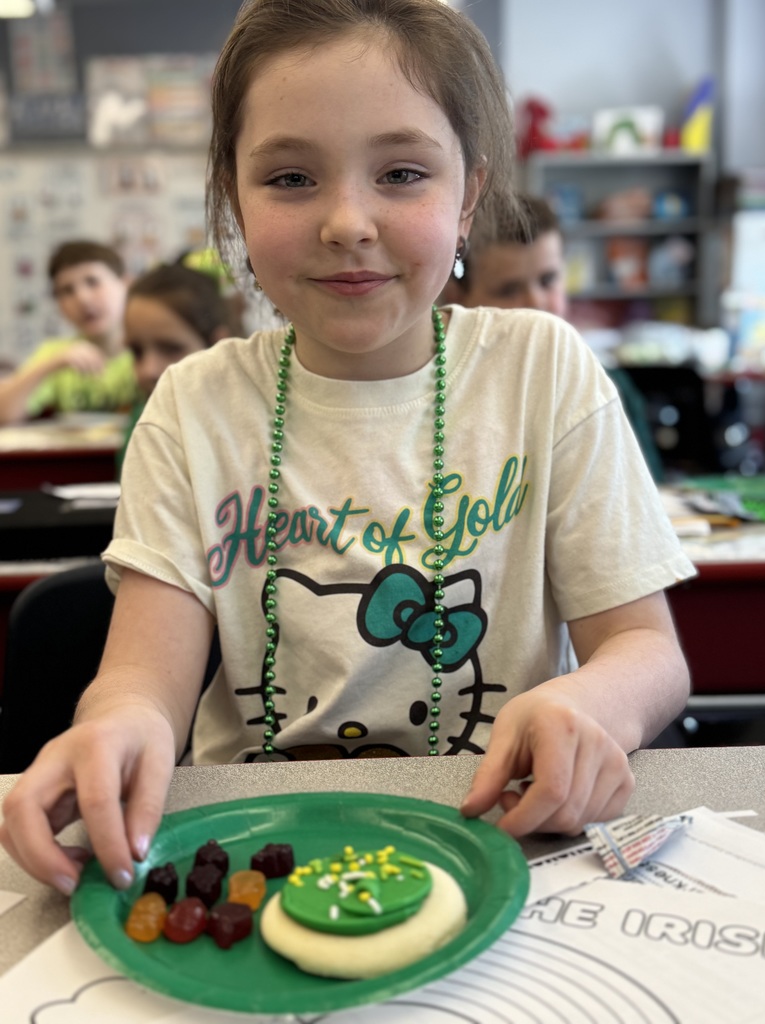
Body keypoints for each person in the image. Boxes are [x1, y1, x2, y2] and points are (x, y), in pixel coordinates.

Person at [1, 0, 694, 897]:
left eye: (403, 172)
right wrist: (114, 725)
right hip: (253, 847)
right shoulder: (193, 405)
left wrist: (589, 701)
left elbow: (649, 653)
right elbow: (142, 676)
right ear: (233, 197)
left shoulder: (542, 371)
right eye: (290, 179)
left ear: (469, 193)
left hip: (500, 839)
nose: (347, 222)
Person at [442, 193, 665, 481]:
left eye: (548, 280)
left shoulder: (607, 387)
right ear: (457, 297)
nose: (537, 303)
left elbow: (648, 501)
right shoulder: (439, 399)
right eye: (509, 290)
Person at [0, 240, 139, 426]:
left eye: (93, 282)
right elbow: (4, 414)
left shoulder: (158, 350)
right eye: (67, 290)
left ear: (126, 284)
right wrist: (52, 364)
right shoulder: (55, 353)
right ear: (59, 305)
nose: (82, 298)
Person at [116, 263, 233, 474]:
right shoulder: (143, 415)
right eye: (136, 352)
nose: (147, 370)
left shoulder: (242, 426)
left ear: (217, 344)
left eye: (171, 349)